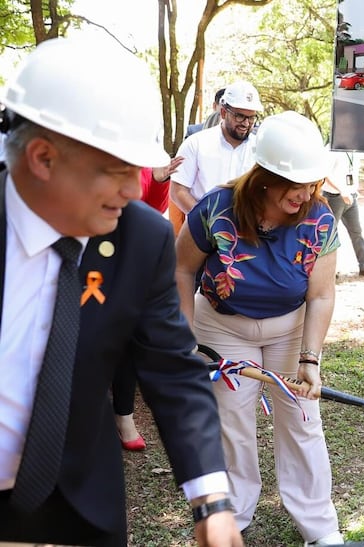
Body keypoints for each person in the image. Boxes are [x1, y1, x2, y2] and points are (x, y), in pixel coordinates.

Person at [0, 37, 242, 546]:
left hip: (79, 511)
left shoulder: (141, 238)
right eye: (117, 171)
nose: (136, 191)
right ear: (43, 158)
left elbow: (173, 370)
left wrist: (212, 503)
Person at [175, 111, 345, 546]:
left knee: (302, 418)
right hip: (222, 325)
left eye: (312, 182)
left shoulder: (320, 219)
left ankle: (318, 526)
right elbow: (181, 270)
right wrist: (186, 339)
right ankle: (235, 512)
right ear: (265, 176)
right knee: (231, 419)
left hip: (290, 328)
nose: (306, 193)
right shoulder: (217, 207)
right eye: (295, 183)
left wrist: (310, 359)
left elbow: (321, 295)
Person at [112, 157, 184, 451]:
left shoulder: (142, 153)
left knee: (129, 335)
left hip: (128, 256)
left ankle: (123, 416)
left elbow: (152, 211)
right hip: (88, 247)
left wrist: (159, 180)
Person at [170, 80, 262, 223]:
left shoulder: (261, 150)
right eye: (240, 116)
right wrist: (206, 223)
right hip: (201, 235)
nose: (245, 123)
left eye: (251, 118)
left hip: (247, 233)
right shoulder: (196, 144)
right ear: (224, 112)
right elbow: (178, 190)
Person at [322, 150, 364, 276]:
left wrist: (353, 190)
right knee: (329, 235)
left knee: (356, 231)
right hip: (334, 197)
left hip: (351, 197)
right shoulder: (332, 149)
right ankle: (327, 271)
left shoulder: (355, 150)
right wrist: (342, 191)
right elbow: (325, 173)